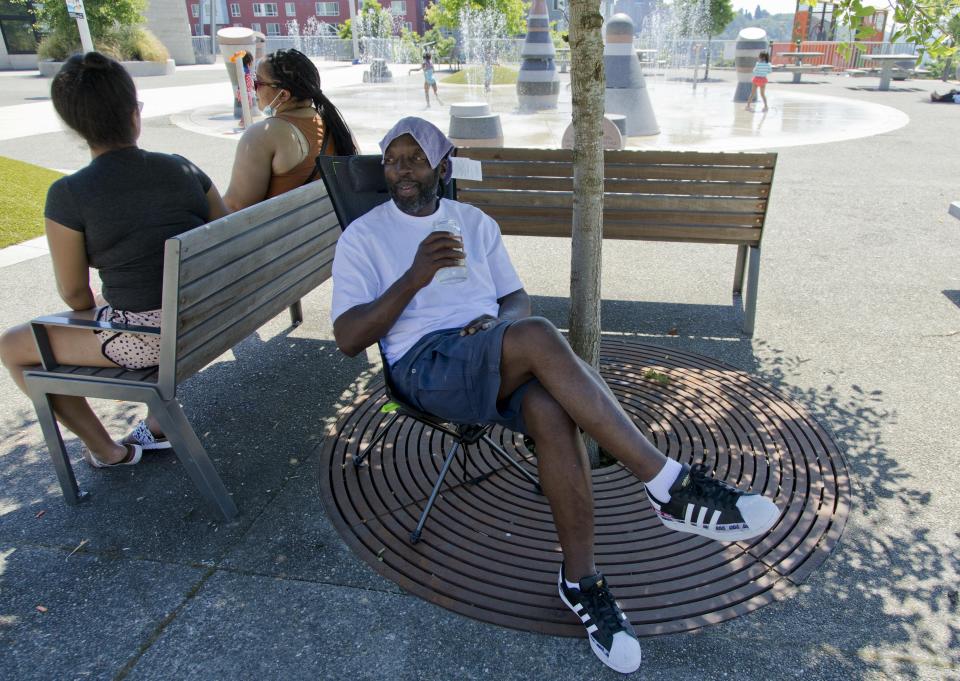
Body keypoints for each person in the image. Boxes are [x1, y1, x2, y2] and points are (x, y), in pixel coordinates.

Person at [331, 117, 782, 675]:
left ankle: (581, 581)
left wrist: (495, 327)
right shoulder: (365, 236)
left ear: (440, 168)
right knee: (540, 334)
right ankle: (667, 484)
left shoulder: (473, 222)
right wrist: (415, 277)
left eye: (414, 158)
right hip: (424, 368)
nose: (400, 168)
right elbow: (349, 339)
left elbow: (515, 297)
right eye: (392, 159)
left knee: (549, 407)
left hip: (486, 351)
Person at [0, 52, 227, 468]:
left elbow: (73, 293)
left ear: (73, 126)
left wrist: (105, 314)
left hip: (150, 342)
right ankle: (157, 424)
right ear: (133, 114)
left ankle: (108, 452)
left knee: (13, 347)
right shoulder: (183, 168)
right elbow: (228, 237)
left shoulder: (69, 194)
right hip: (212, 316)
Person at [223, 48, 359, 212]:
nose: (253, 88)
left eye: (257, 82)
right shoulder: (337, 126)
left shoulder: (264, 135)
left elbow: (235, 206)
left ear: (283, 95)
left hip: (281, 236)